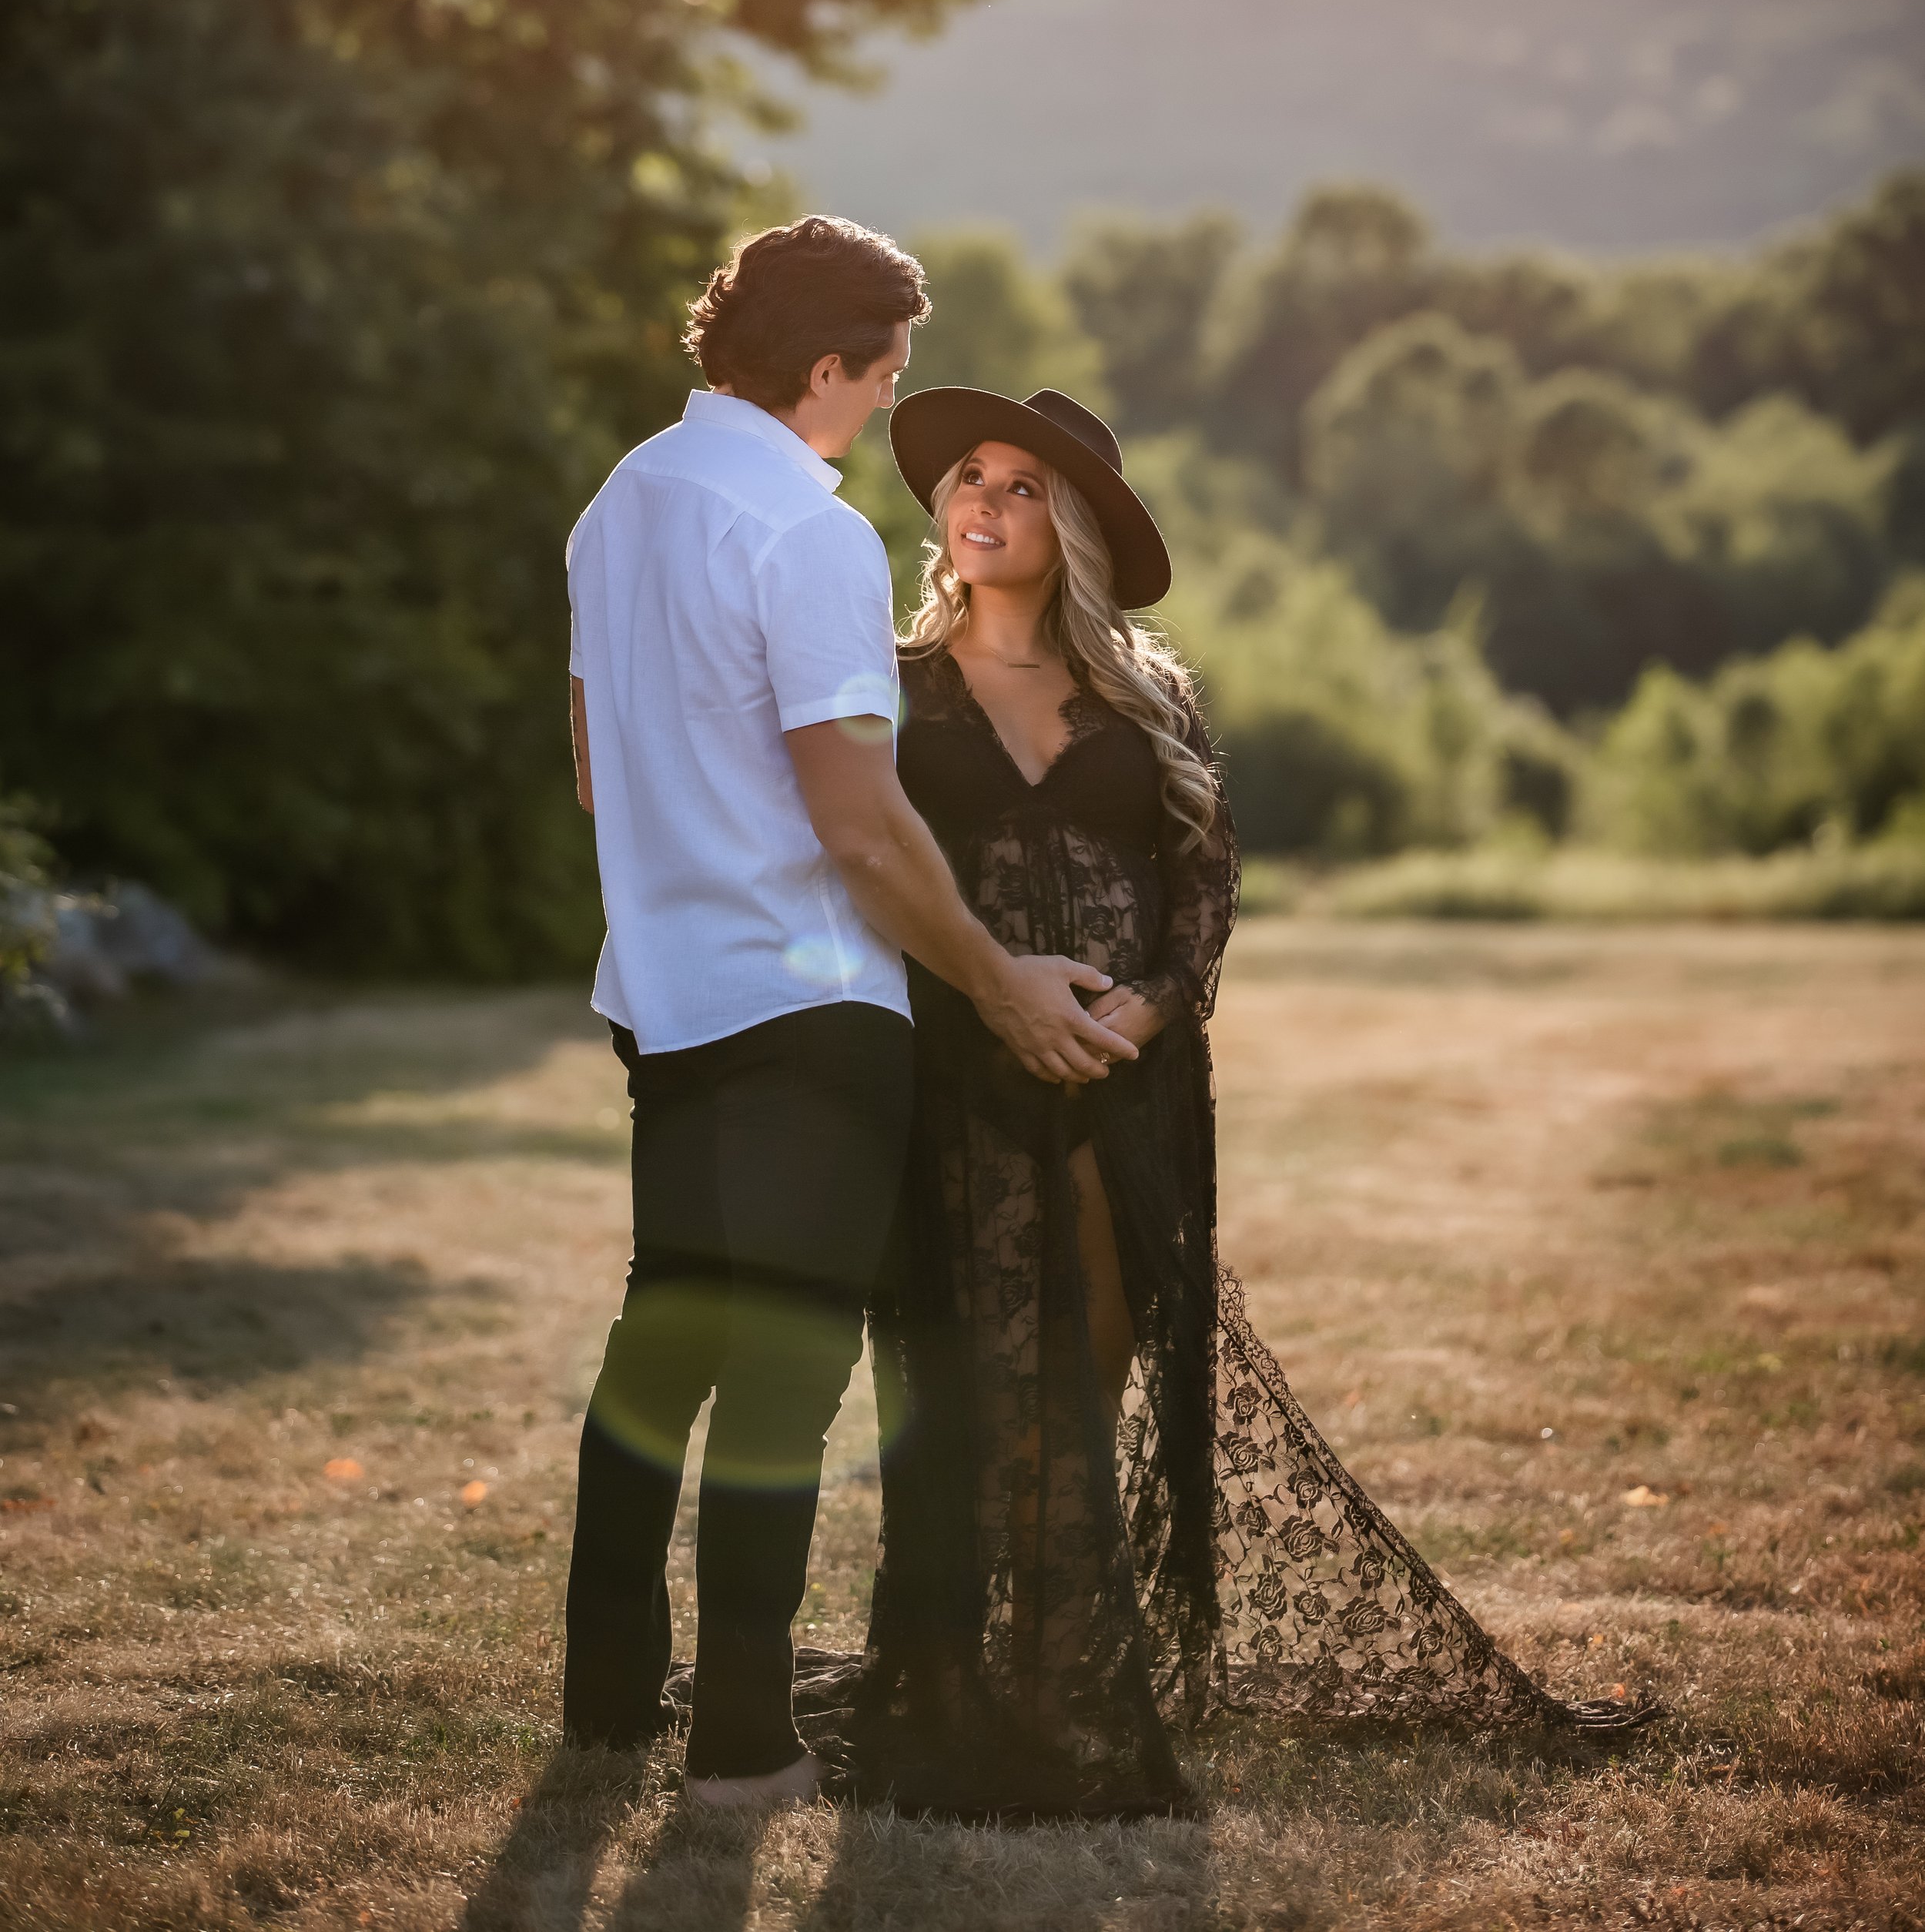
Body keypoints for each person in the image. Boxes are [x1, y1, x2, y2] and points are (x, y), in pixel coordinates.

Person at [845, 384, 1648, 1819]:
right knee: (976, 1379)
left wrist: (1146, 1010)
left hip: (1127, 1084)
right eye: (969, 474)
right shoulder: (892, 683)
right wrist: (997, 998)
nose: (984, 499)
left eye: (1025, 484)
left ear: (1073, 524)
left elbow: (1205, 883)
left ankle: (1067, 1670)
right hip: (953, 1073)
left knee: (1087, 1373)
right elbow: (869, 867)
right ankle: (970, 1688)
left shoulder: (1145, 691)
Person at [559, 226, 1138, 1811]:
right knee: (785, 1375)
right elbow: (859, 824)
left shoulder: (618, 506)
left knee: (660, 1343)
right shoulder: (803, 537)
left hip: (662, 994)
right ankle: (740, 1744)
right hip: (805, 1007)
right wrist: (996, 977)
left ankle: (605, 1702)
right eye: (879, 372)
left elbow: (601, 767)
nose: (881, 402)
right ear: (822, 368)